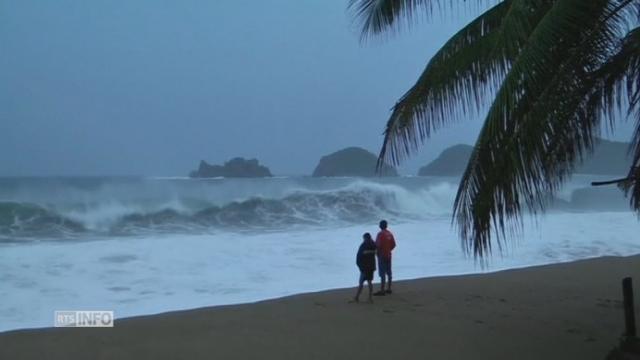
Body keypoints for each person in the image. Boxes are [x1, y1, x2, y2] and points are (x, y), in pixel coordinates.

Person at [374, 220, 396, 296]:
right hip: (388, 255)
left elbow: (378, 245)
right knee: (389, 272)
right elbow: (393, 244)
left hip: (382, 255)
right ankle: (389, 288)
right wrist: (388, 249)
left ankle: (382, 290)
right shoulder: (389, 233)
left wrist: (377, 253)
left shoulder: (380, 234)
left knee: (382, 273)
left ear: (381, 226)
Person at [354, 232, 376, 303]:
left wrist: (359, 265)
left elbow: (361, 254)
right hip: (371, 266)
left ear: (365, 238)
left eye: (364, 238)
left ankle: (357, 297)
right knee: (369, 282)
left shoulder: (364, 245)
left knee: (361, 282)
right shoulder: (373, 244)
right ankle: (370, 298)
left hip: (365, 267)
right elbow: (376, 251)